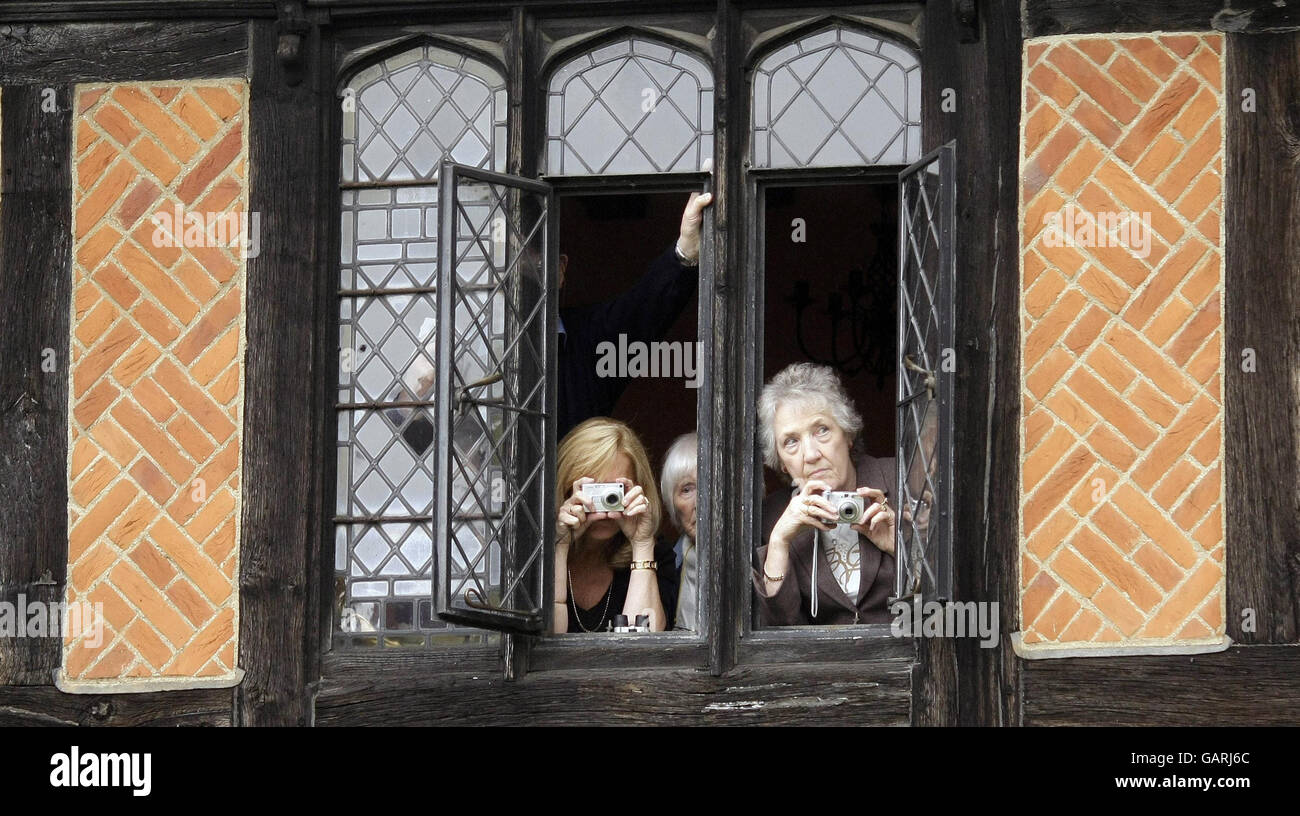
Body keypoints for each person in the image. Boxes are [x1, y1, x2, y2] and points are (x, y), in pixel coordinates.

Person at [557, 192, 712, 437]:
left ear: (559, 270)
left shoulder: (588, 338)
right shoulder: (485, 347)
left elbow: (644, 309)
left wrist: (685, 250)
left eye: (525, 261)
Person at [754, 363, 898, 626]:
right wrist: (778, 543)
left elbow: (950, 593)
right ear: (782, 462)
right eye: (791, 441)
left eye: (821, 430)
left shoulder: (901, 481)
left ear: (847, 433)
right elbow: (776, 631)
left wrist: (899, 546)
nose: (810, 455)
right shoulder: (771, 516)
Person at [553, 418, 678, 633]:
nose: (603, 509)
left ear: (639, 491)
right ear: (566, 490)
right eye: (593, 493)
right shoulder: (535, 559)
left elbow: (643, 646)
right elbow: (545, 644)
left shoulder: (657, 554)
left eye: (614, 493)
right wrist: (559, 546)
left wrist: (642, 545)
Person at [659, 432, 698, 631]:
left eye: (714, 482)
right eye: (687, 489)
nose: (700, 502)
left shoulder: (763, 555)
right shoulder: (666, 567)